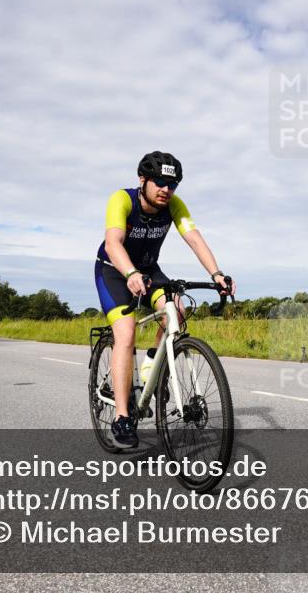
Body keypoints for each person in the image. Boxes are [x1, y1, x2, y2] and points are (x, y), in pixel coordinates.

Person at [95, 151, 235, 447]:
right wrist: (130, 272)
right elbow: (113, 243)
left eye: (172, 185)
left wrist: (217, 274)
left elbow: (194, 238)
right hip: (113, 270)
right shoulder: (122, 200)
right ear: (142, 180)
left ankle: (151, 364)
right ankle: (122, 417)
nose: (166, 190)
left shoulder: (174, 205)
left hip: (148, 270)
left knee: (178, 311)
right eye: (159, 182)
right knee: (126, 333)